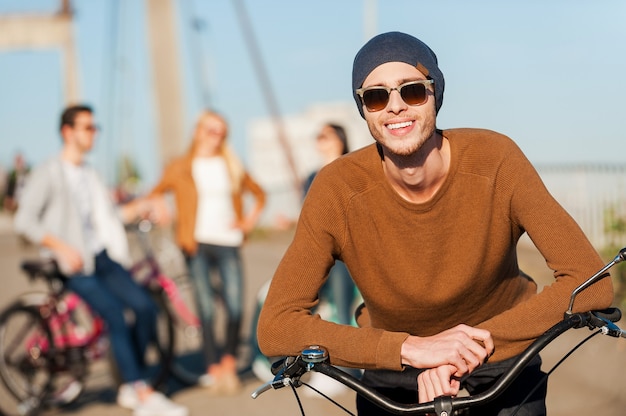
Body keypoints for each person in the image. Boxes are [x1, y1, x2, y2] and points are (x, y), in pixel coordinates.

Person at [257, 31, 614, 416]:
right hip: (392, 368)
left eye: (411, 91)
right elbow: (276, 325)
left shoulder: (496, 160)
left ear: (435, 95)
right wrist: (412, 348)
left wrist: (460, 350)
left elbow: (591, 281)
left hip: (502, 357)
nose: (394, 106)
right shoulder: (337, 189)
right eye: (376, 96)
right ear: (364, 109)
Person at [14, 104, 188, 416]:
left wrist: (143, 207)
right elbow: (24, 220)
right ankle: (139, 391)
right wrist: (61, 247)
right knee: (115, 316)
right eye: (87, 127)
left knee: (146, 307)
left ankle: (129, 382)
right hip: (72, 263)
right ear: (68, 132)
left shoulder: (90, 174)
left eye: (95, 128)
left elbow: (108, 217)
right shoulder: (49, 172)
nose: (94, 133)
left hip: (102, 256)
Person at [145, 110, 266, 395]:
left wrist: (247, 222)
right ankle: (214, 368)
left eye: (222, 133)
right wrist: (161, 207)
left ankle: (228, 363)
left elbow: (259, 194)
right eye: (212, 130)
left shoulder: (231, 164)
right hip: (195, 243)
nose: (217, 137)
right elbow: (156, 192)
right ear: (198, 131)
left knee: (236, 306)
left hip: (229, 241)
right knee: (207, 309)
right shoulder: (181, 165)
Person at [304, 123, 359, 327]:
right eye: (318, 135)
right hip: (314, 252)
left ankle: (347, 355)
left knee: (343, 306)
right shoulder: (311, 177)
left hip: (342, 254)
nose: (320, 139)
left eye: (325, 135)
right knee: (300, 306)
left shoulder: (351, 170)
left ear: (340, 139)